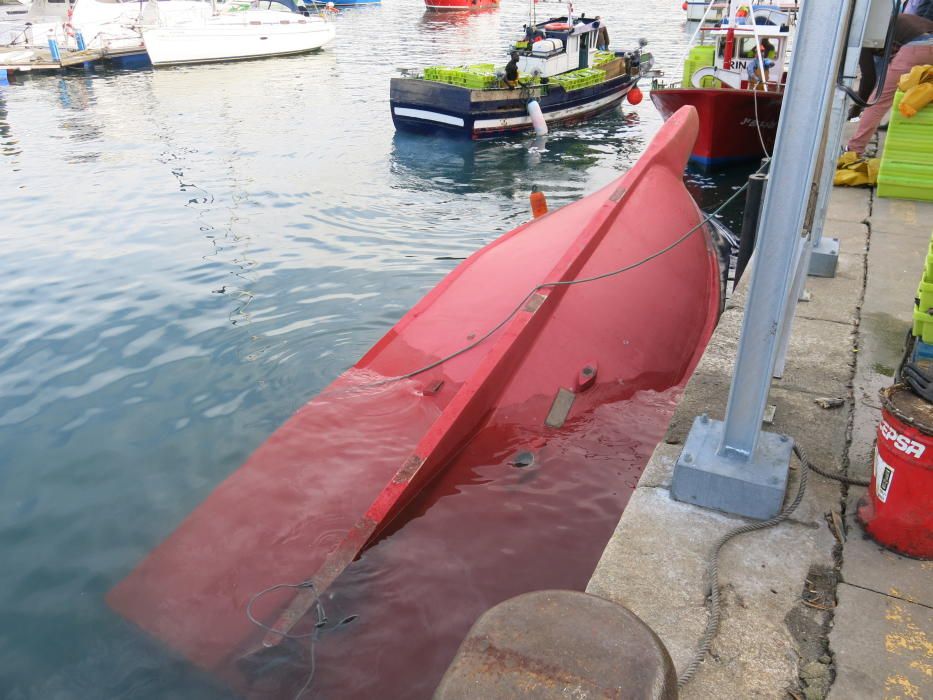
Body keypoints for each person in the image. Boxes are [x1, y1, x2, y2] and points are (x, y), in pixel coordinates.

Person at [846, 12, 933, 154]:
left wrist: (858, 106)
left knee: (878, 102)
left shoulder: (864, 35)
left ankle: (854, 149)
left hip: (917, 47)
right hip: (924, 42)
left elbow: (869, 79)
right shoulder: (892, 20)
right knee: (922, 97)